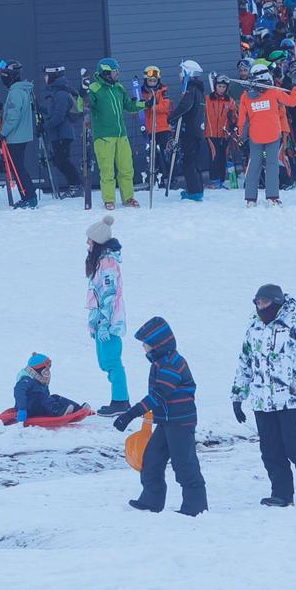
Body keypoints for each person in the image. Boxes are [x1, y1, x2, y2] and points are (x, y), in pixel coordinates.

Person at [230, 283, 296, 508]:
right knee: (270, 448)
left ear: (276, 303)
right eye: (257, 302)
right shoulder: (253, 328)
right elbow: (245, 363)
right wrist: (238, 397)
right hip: (261, 399)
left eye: (264, 302)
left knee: (294, 444)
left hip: (291, 397)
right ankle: (282, 495)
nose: (260, 306)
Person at [113, 316, 206, 516]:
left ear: (158, 344)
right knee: (151, 460)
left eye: (146, 344)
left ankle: (196, 507)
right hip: (166, 422)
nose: (143, 348)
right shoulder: (160, 362)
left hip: (181, 423)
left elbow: (158, 396)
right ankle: (151, 500)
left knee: (184, 464)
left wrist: (130, 414)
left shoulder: (172, 364)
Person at [237, 62, 296, 206]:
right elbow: (292, 102)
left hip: (255, 137)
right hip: (273, 135)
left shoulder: (245, 96)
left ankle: (250, 199)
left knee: (254, 167)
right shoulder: (274, 92)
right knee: (272, 166)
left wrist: (241, 136)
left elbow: (242, 119)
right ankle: (272, 197)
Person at [85, 215, 129, 416]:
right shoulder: (100, 262)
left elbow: (109, 295)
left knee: (112, 362)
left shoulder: (108, 264)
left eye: (89, 240)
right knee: (105, 362)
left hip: (109, 322)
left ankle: (120, 401)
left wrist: (103, 323)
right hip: (102, 321)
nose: (87, 243)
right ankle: (119, 400)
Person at [85, 58, 143, 210]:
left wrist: (145, 104)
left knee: (126, 168)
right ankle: (109, 199)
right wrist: (82, 93)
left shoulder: (119, 88)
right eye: (114, 71)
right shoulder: (94, 88)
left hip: (121, 135)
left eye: (117, 71)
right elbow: (82, 107)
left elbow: (129, 106)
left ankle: (128, 197)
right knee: (107, 170)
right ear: (105, 72)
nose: (118, 74)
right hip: (104, 137)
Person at [39, 66, 84, 198]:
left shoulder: (61, 94)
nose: (45, 78)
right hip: (58, 134)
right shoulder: (56, 92)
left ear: (54, 77)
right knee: (60, 161)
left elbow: (59, 116)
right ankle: (75, 185)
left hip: (63, 134)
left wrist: (45, 126)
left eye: (47, 76)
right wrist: (38, 107)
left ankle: (76, 185)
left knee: (62, 161)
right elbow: (53, 112)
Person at [0, 60, 38, 208]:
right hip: (21, 135)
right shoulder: (22, 90)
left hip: (15, 137)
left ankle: (29, 197)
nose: (3, 78)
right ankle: (28, 195)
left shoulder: (15, 92)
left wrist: (2, 133)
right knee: (18, 167)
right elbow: (13, 110)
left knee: (17, 168)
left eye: (5, 75)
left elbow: (13, 117)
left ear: (12, 76)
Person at [170, 60, 207, 202]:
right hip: (197, 131)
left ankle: (194, 191)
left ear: (188, 73)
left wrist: (171, 117)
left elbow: (184, 107)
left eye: (181, 72)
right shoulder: (199, 91)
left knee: (188, 162)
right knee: (194, 161)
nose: (179, 75)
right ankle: (197, 189)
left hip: (190, 131)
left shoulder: (191, 91)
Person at [12, 353, 84, 424]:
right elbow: (19, 392)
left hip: (38, 406)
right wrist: (22, 409)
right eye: (45, 370)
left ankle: (77, 408)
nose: (47, 372)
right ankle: (56, 411)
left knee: (55, 397)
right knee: (41, 397)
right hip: (28, 409)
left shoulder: (40, 379)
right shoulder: (27, 379)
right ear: (37, 369)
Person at [204, 76, 235, 188]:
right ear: (215, 86)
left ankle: (221, 180)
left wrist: (232, 128)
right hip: (210, 133)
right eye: (219, 86)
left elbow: (233, 117)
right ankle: (214, 180)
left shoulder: (230, 101)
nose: (221, 89)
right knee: (214, 156)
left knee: (223, 157)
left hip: (224, 134)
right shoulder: (207, 99)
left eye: (223, 87)